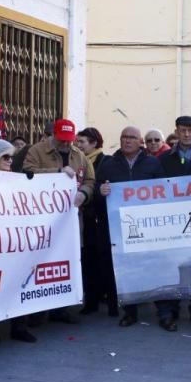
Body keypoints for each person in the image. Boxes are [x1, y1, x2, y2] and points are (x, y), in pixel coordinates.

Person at [97, 127, 171, 328]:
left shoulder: (153, 163)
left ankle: (164, 313)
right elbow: (97, 190)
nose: (127, 141)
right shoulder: (108, 164)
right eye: (124, 137)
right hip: (121, 228)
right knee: (128, 270)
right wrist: (100, 191)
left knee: (154, 268)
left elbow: (163, 191)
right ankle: (130, 312)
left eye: (132, 138)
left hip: (148, 227)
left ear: (140, 141)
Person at [23, 119, 94, 325]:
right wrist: (56, 173)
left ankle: (60, 309)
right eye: (61, 140)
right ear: (53, 135)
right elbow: (26, 174)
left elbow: (90, 180)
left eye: (69, 140)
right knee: (40, 262)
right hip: (41, 219)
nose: (65, 144)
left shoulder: (79, 155)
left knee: (66, 261)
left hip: (69, 220)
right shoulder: (36, 151)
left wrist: (84, 194)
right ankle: (37, 311)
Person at [0, 139, 41, 344]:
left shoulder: (16, 180)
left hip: (13, 242)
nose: (10, 161)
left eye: (12, 157)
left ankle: (18, 326)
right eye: (5, 157)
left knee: (17, 281)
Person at [75, 127, 114, 317]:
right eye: (77, 141)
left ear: (94, 143)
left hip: (97, 219)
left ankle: (100, 297)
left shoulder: (105, 162)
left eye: (82, 142)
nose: (78, 145)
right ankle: (91, 298)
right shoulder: (76, 161)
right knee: (87, 260)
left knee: (97, 258)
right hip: (82, 218)